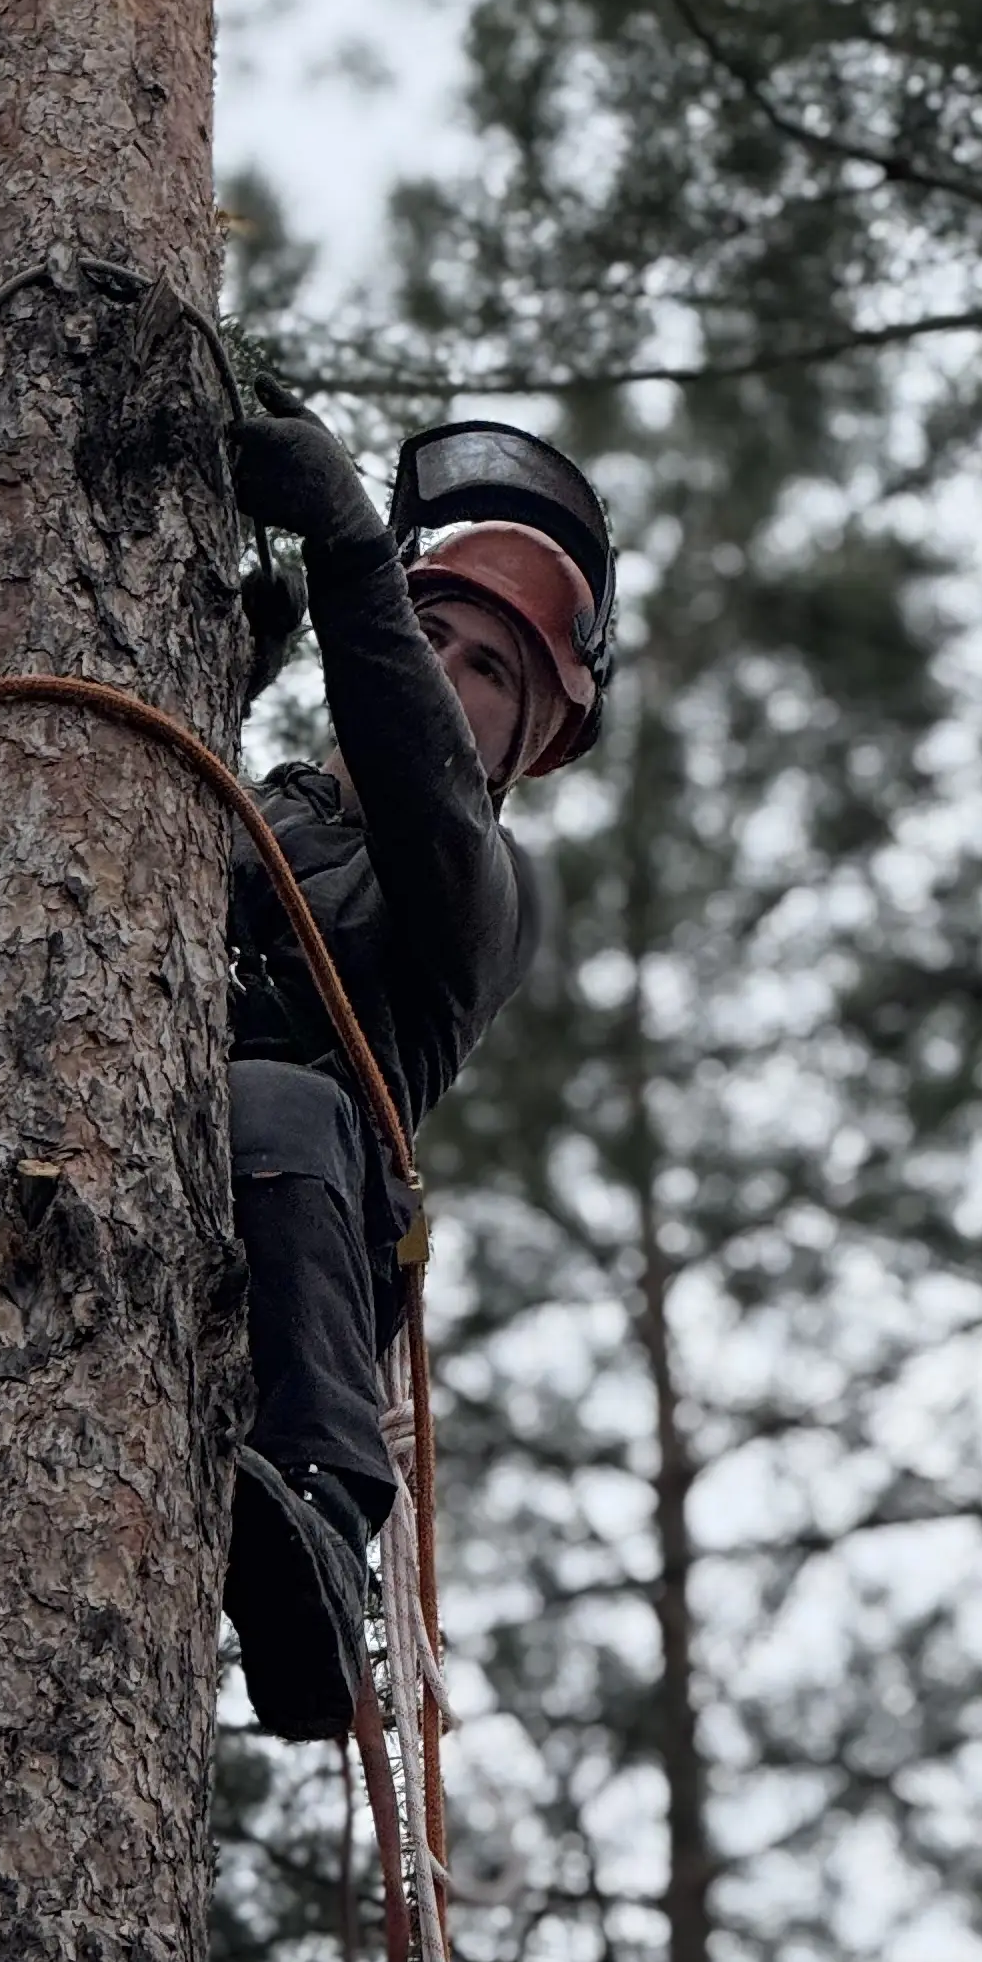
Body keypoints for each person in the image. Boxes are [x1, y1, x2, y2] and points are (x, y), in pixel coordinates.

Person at [221, 390, 615, 1738]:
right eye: (429, 634)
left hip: (296, 1235)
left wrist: (344, 543)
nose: (444, 669)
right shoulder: (247, 811)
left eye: (490, 670)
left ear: (526, 746)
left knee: (276, 1097)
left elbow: (417, 768)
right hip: (137, 1163)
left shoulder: (482, 881)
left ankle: (319, 1538)